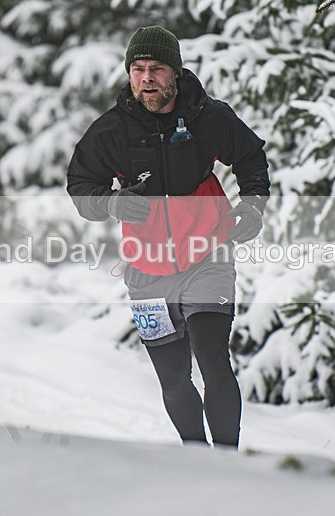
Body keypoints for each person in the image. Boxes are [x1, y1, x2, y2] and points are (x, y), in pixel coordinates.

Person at [67, 26, 270, 448]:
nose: (146, 78)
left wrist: (251, 206)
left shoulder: (207, 117)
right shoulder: (111, 130)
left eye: (156, 69)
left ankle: (228, 461)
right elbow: (81, 185)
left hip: (207, 255)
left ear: (174, 72)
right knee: (174, 378)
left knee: (213, 358)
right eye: (138, 69)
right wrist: (112, 204)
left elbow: (250, 157)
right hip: (145, 271)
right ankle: (196, 460)